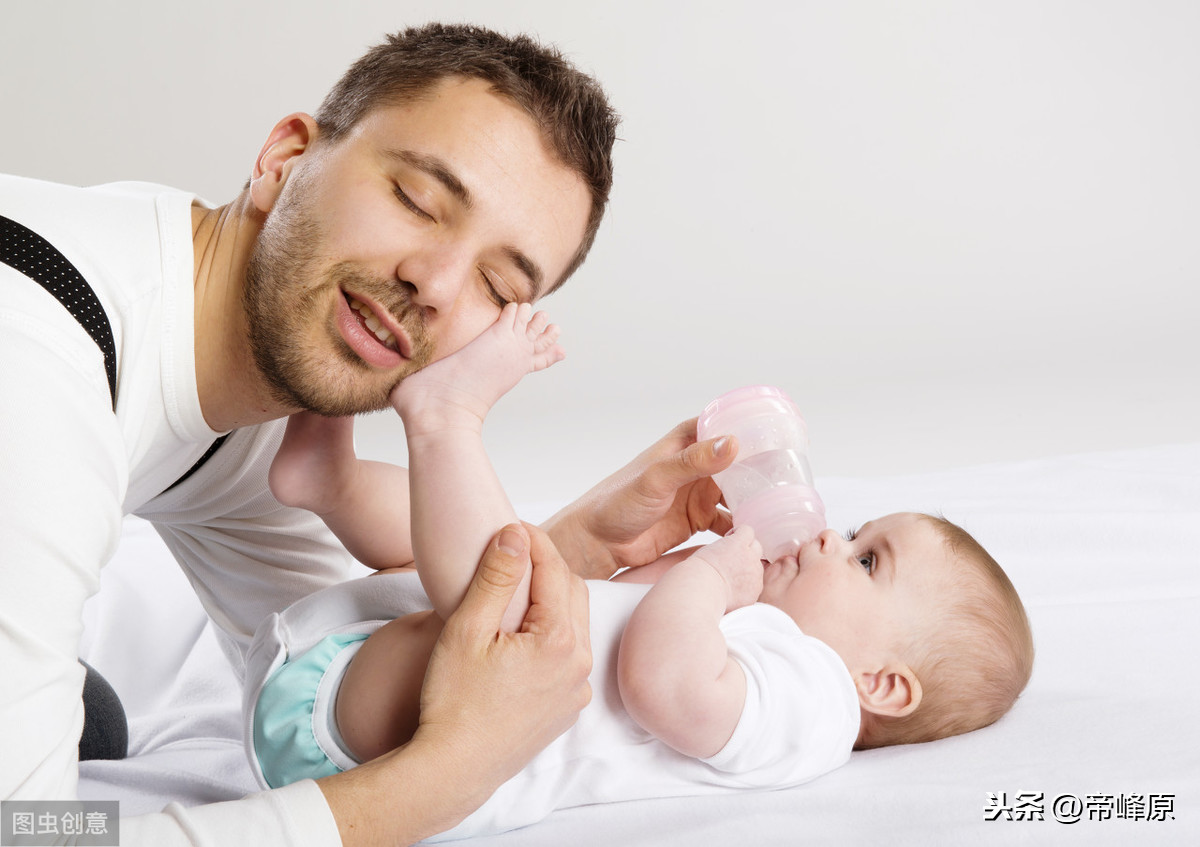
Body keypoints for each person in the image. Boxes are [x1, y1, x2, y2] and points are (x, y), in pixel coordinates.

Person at [0, 23, 743, 847]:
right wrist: (442, 781)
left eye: (498, 287)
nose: (435, 283)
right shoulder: (35, 368)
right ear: (283, 161)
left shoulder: (228, 357)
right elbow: (30, 834)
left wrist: (572, 550)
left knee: (88, 721)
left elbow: (331, 670)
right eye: (417, 201)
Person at [251, 303, 1036, 840]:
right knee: (494, 554)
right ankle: (330, 481)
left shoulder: (816, 708)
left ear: (884, 684)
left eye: (868, 559)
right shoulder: (766, 641)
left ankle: (445, 415)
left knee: (509, 585)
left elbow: (668, 688)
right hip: (375, 684)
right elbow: (609, 610)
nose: (833, 536)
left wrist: (710, 582)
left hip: (392, 744)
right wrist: (671, 566)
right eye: (857, 531)